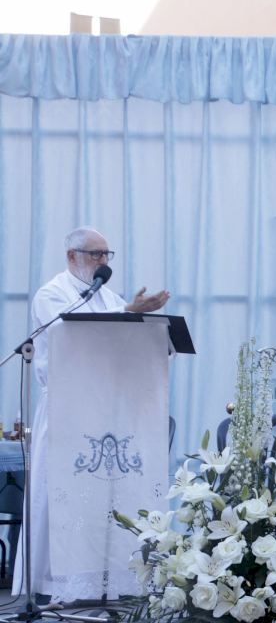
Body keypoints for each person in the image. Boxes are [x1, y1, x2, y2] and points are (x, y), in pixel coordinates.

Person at [16, 227, 170, 599]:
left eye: (106, 255)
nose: (103, 262)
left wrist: (147, 329)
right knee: (62, 499)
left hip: (107, 411)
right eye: (95, 254)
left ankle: (105, 587)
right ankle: (50, 588)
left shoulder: (108, 297)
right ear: (72, 256)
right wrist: (128, 312)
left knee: (104, 502)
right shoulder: (52, 293)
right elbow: (72, 334)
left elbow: (121, 342)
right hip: (67, 409)